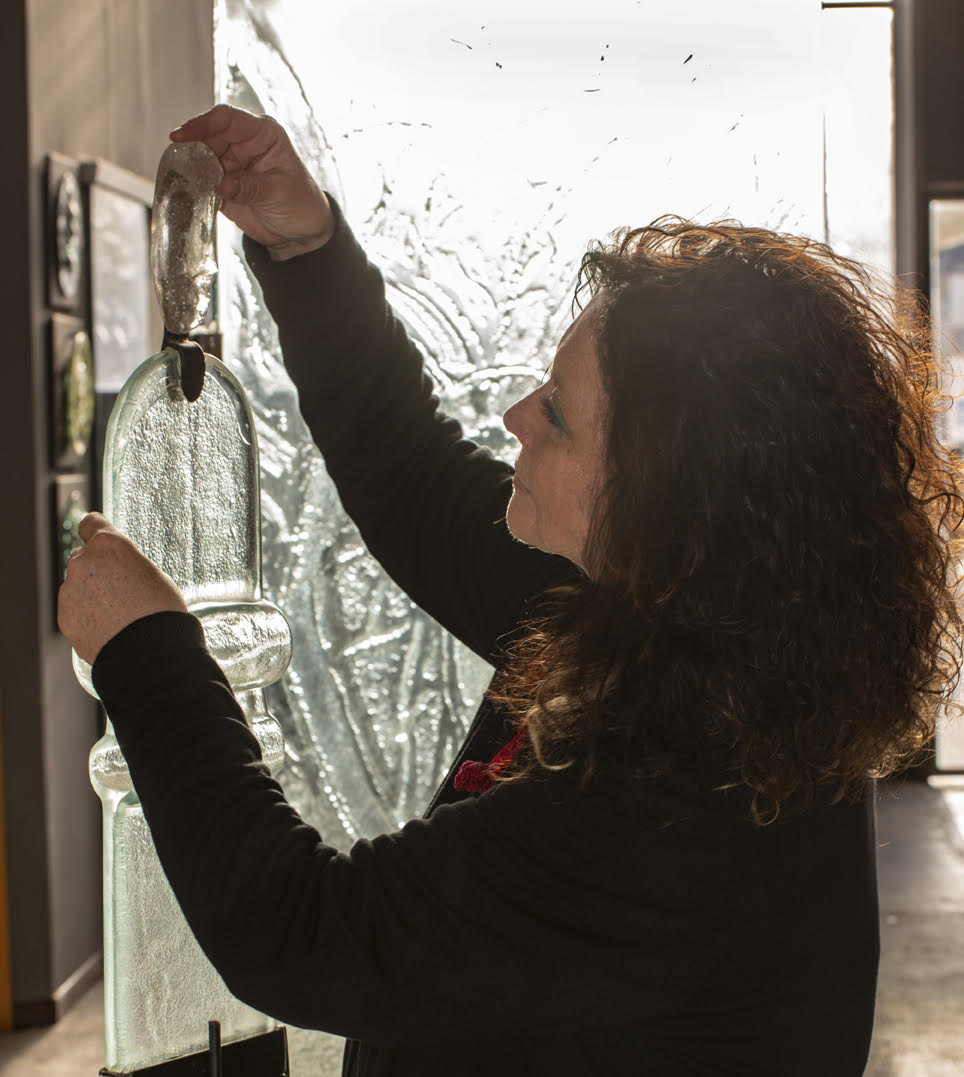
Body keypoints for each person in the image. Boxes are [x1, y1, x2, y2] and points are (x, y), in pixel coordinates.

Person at [58, 104, 964, 1076]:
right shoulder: (690, 628)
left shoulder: (676, 807)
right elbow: (417, 486)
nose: (514, 413)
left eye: (558, 415)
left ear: (669, 500)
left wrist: (148, 654)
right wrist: (307, 248)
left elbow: (304, 931)